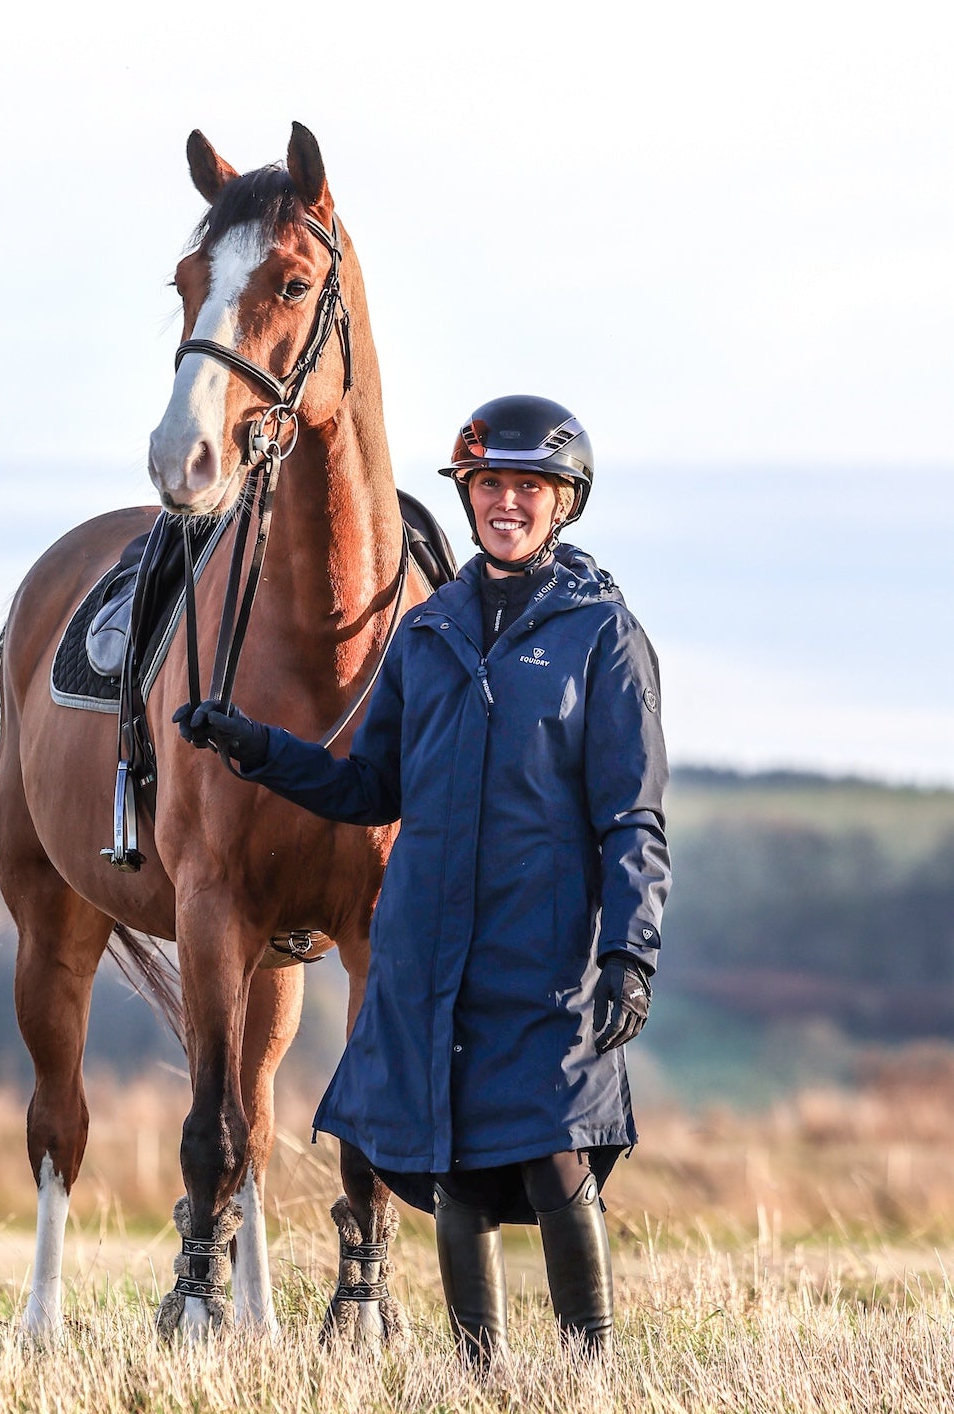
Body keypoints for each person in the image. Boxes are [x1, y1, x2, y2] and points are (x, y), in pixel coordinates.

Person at [175, 397, 670, 1364]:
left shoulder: (602, 636)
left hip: (545, 950)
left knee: (558, 1156)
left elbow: (632, 815)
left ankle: (590, 1371)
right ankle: (479, 1375)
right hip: (426, 949)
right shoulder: (428, 629)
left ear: (563, 502)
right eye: (488, 485)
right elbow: (370, 786)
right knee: (454, 1171)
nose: (505, 503)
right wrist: (257, 749)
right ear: (469, 497)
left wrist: (629, 950)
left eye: (526, 487)